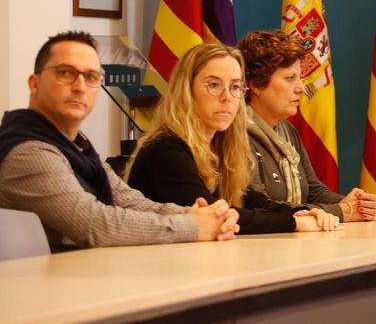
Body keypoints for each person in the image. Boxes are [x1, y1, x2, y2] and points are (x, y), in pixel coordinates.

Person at [0, 31, 238, 250]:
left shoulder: (77, 147)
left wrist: (200, 215)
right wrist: (195, 227)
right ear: (34, 84)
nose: (80, 86)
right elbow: (95, 225)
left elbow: (130, 202)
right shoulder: (27, 151)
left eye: (91, 77)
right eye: (66, 73)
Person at [126, 43, 338, 234]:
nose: (227, 97)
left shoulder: (220, 145)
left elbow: (251, 199)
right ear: (186, 91)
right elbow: (215, 216)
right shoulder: (167, 149)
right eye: (214, 85)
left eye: (235, 87)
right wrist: (293, 223)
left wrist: (301, 213)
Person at [239, 30, 376, 221]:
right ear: (255, 85)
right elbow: (263, 207)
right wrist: (342, 210)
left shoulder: (287, 130)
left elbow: (312, 190)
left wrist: (356, 204)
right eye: (290, 78)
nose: (301, 88)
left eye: (300, 77)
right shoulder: (235, 134)